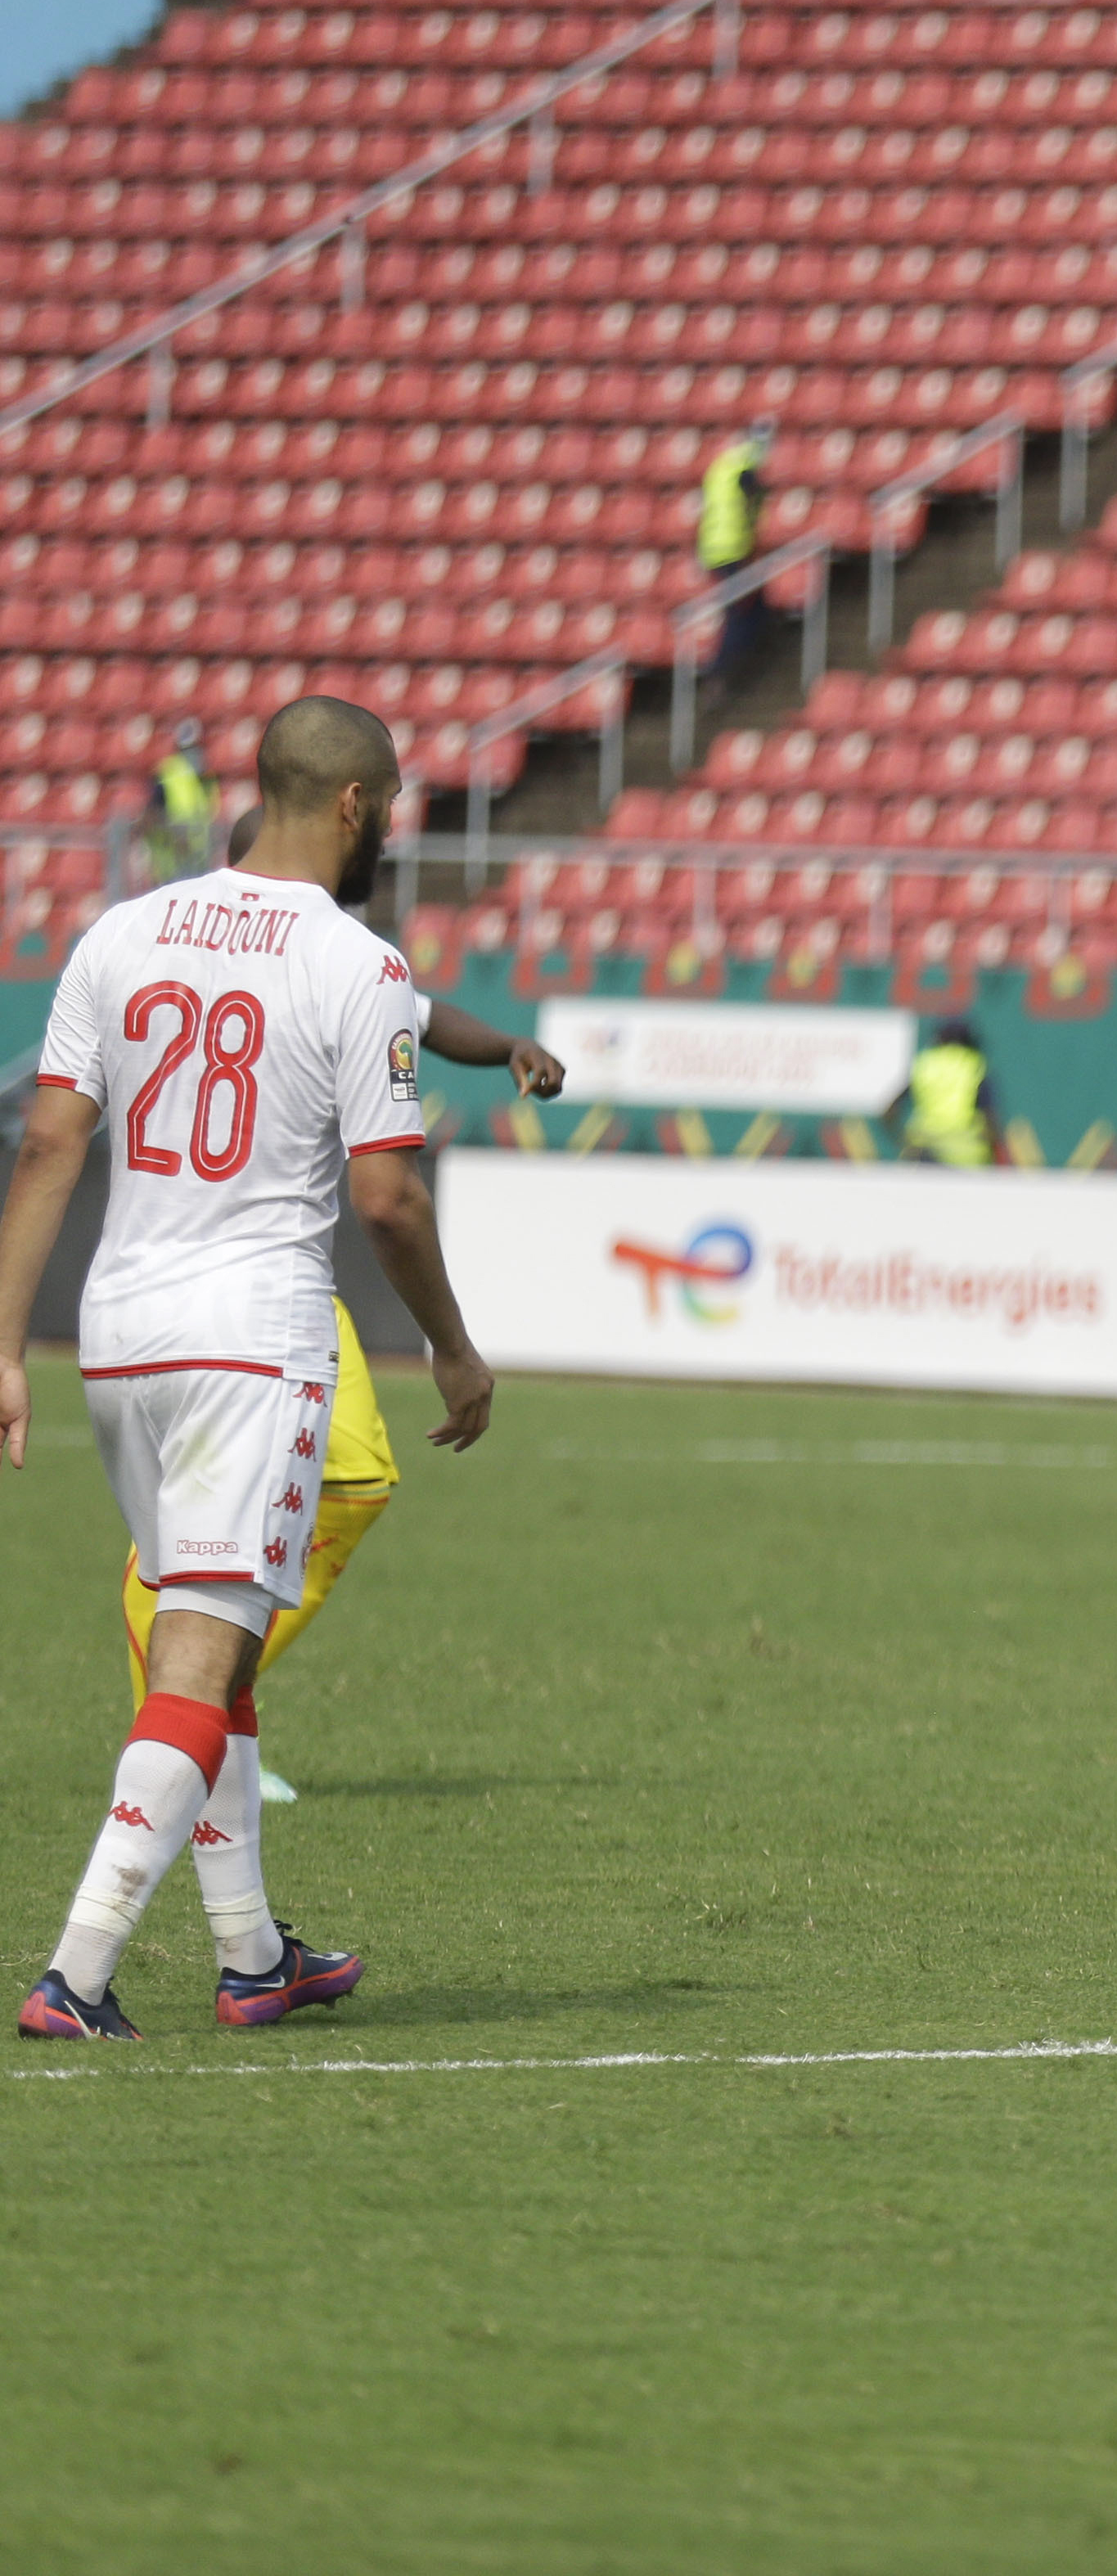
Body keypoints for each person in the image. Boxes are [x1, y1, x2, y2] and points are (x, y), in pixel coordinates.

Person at [1, 695, 498, 2042]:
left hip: (118, 1335)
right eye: (388, 802)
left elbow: (49, 1148)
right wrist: (452, 1348)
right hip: (250, 1339)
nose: (389, 822)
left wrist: (4, 1344)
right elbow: (387, 1202)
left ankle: (251, 1954)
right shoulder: (360, 964)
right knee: (197, 1657)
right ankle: (78, 1974)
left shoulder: (121, 930)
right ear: (352, 805)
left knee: (213, 1655)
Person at [107, 801, 566, 1802]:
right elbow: (389, 1196)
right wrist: (453, 1345)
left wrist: (505, 1048)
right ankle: (190, 1712)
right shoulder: (321, 964)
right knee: (257, 1520)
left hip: (156, 1299)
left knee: (335, 1489)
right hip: (254, 1298)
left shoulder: (178, 951)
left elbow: (425, 1013)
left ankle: (198, 1713)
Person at [698, 418, 774, 681]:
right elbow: (747, 504)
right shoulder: (747, 467)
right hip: (732, 547)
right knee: (738, 610)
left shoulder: (724, 464)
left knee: (754, 603)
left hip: (712, 547)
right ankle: (724, 670)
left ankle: (749, 655)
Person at [893, 1016, 998, 1167]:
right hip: (965, 1158)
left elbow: (890, 1111)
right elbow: (990, 1120)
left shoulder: (925, 1064)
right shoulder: (975, 1065)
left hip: (923, 1152)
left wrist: (903, 1141)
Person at [145, 718, 217, 885]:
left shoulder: (207, 778)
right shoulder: (169, 774)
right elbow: (152, 812)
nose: (194, 753)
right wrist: (176, 837)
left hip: (200, 861)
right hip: (174, 860)